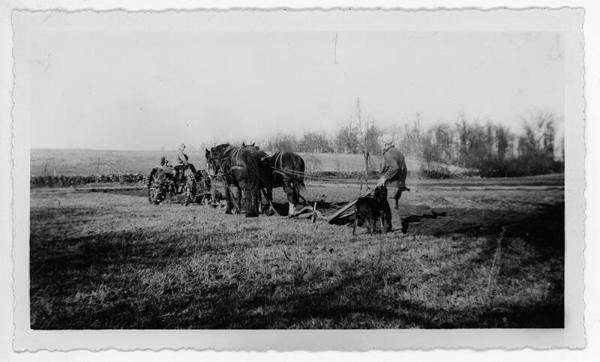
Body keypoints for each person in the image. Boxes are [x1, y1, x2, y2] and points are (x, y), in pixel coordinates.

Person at [376, 134, 410, 210]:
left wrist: (384, 178)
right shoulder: (399, 153)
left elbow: (395, 167)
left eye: (381, 142)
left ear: (385, 143)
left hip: (392, 186)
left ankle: (396, 222)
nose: (380, 144)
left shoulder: (388, 153)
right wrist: (402, 183)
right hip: (398, 186)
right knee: (394, 209)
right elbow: (404, 170)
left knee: (392, 213)